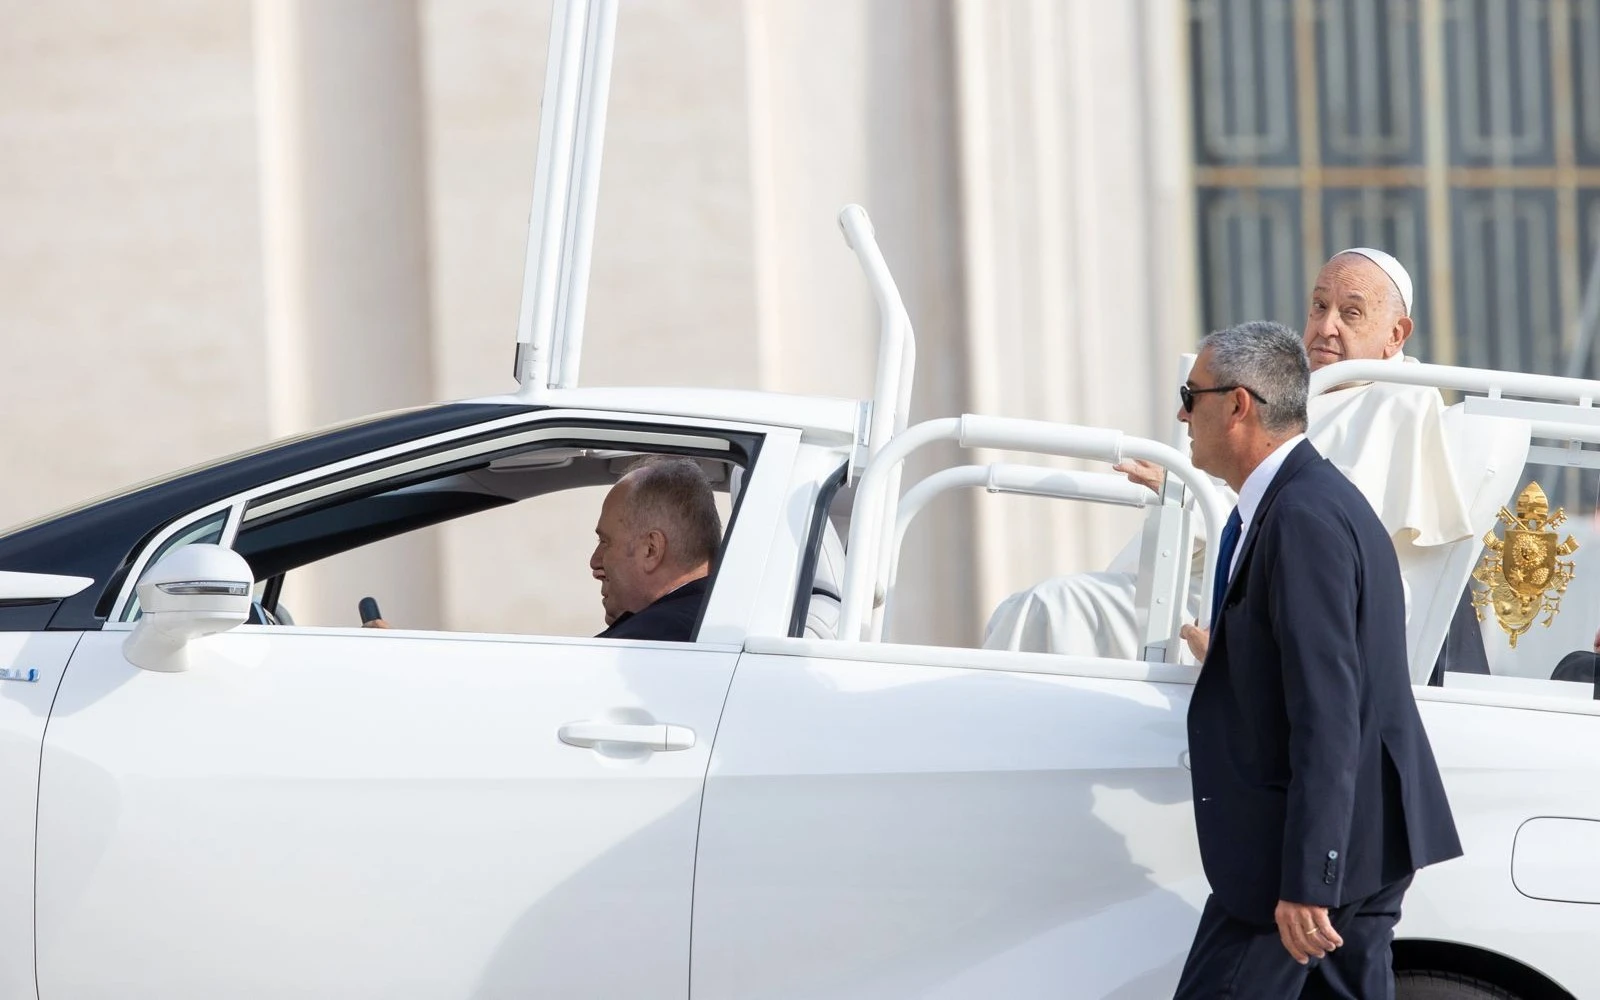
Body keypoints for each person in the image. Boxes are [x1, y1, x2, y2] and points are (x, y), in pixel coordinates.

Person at [985, 248, 1484, 680]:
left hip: (1261, 605)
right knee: (1032, 606)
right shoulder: (1303, 390)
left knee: (1051, 608)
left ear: (1396, 334)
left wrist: (1190, 498)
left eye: (1350, 313)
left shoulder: (1399, 406)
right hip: (1208, 579)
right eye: (1319, 305)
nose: (1325, 326)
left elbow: (1321, 537)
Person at [1173, 320, 1462, 999]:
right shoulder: (1310, 498)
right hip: (1356, 845)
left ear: (1238, 405)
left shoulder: (1302, 516)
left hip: (1313, 862)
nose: (1182, 414)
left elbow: (1330, 713)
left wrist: (1310, 879)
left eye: (1192, 395)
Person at [589, 455, 721, 641]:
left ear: (651, 549)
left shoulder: (645, 639)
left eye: (605, 542)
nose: (594, 563)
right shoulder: (718, 618)